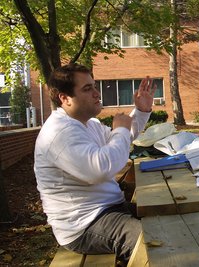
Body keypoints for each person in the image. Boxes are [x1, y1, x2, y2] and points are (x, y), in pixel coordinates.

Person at [34, 63, 155, 263]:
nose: (97, 93)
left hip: (108, 209)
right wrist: (121, 130)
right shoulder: (59, 133)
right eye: (87, 89)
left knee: (169, 220)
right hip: (85, 225)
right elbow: (99, 169)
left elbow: (119, 143)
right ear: (65, 98)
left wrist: (140, 111)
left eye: (95, 86)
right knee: (155, 243)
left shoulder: (88, 124)